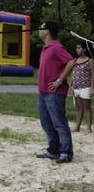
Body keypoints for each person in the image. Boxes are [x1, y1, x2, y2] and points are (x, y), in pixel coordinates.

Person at [36, 20, 74, 164]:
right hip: (43, 92)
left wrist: (59, 80)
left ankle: (66, 152)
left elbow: (71, 61)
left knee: (59, 123)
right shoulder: (46, 47)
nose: (39, 30)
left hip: (55, 93)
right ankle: (53, 150)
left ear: (48, 31)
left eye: (41, 28)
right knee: (46, 123)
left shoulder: (56, 46)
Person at [69, 42, 94, 133]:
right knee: (78, 108)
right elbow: (73, 73)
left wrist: (92, 88)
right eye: (77, 47)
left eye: (79, 48)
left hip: (86, 87)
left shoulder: (90, 61)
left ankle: (88, 128)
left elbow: (93, 74)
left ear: (84, 49)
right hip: (76, 87)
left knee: (87, 108)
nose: (77, 49)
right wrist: (70, 85)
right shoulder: (75, 60)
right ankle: (77, 127)